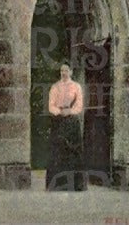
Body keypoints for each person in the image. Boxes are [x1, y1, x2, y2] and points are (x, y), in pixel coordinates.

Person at [46, 63, 86, 191]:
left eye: (66, 70)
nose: (64, 73)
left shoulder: (76, 86)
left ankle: (75, 185)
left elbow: (79, 104)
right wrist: (58, 111)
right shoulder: (55, 87)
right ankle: (57, 184)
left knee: (73, 151)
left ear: (71, 72)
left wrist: (70, 111)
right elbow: (51, 105)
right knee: (57, 150)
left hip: (71, 121)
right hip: (58, 120)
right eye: (62, 70)